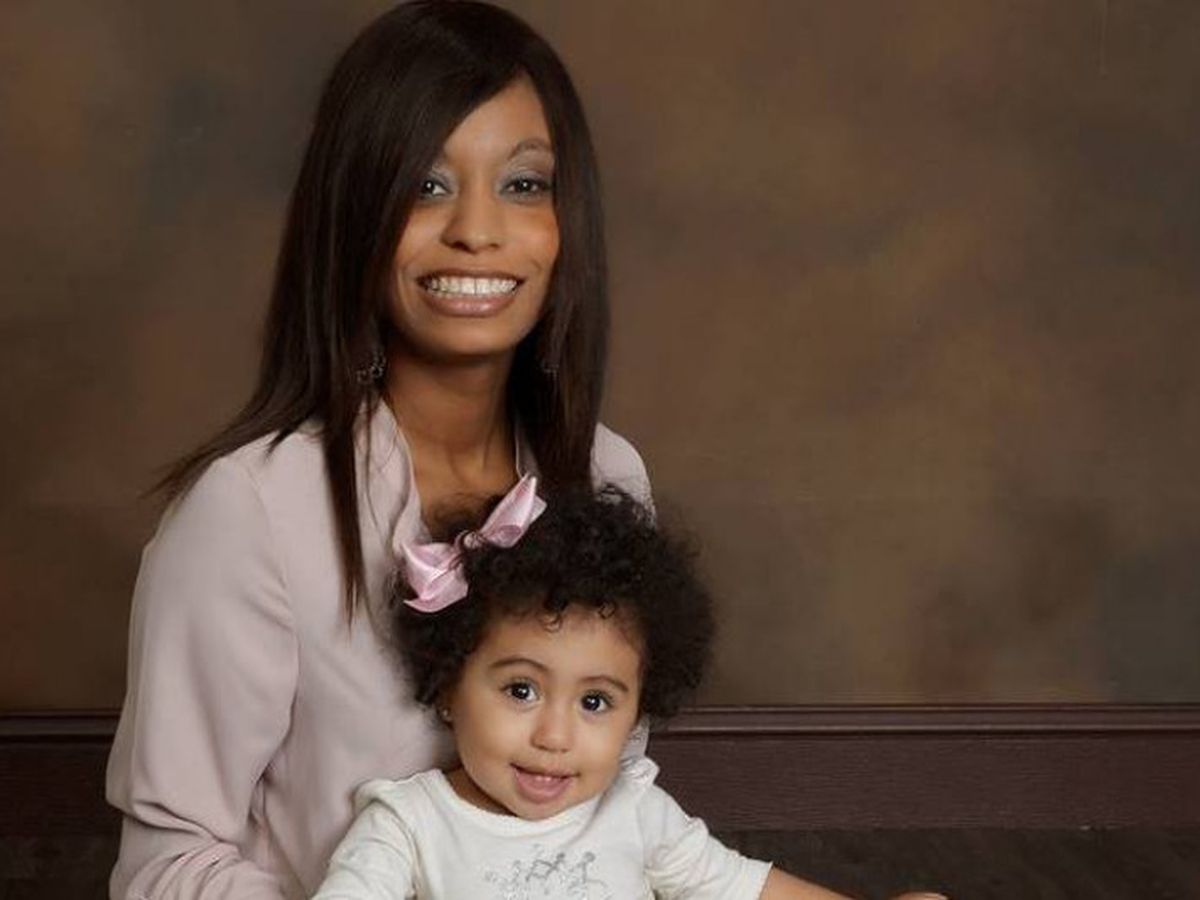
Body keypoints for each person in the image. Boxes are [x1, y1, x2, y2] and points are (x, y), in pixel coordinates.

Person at [106, 3, 650, 898]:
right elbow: (163, 869)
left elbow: (615, 819)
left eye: (523, 184)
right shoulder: (250, 509)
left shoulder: (608, 475)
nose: (477, 230)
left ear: (568, 221)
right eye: (426, 185)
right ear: (353, 214)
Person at [312, 485, 945, 900]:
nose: (554, 737)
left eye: (594, 702)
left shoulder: (632, 810)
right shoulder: (411, 823)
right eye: (521, 690)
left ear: (638, 709)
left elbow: (738, 888)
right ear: (449, 685)